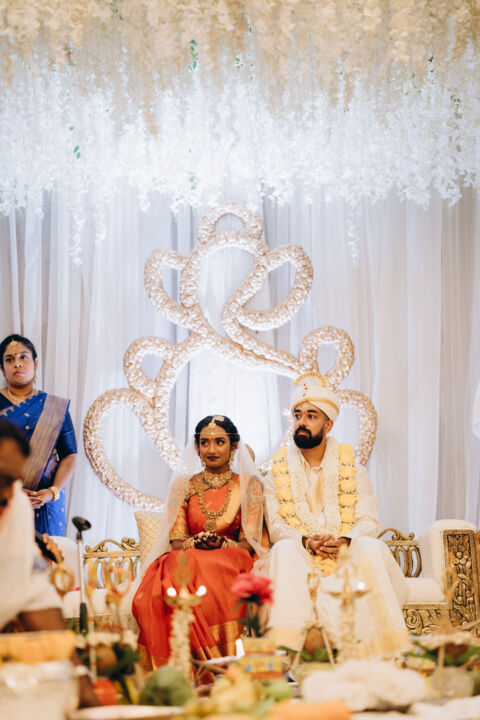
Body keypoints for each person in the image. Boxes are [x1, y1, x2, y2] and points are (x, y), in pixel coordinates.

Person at [264, 372, 409, 657]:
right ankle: (293, 651)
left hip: (346, 551)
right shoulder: (275, 473)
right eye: (297, 415)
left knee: (372, 546)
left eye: (311, 416)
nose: (302, 422)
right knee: (282, 549)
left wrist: (345, 540)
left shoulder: (353, 469)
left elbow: (368, 520)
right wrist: (307, 541)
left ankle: (375, 651)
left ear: (328, 424)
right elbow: (277, 524)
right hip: (302, 550)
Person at [132, 415, 265, 669]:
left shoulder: (250, 485)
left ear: (234, 446)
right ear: (197, 448)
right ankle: (184, 665)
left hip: (234, 557)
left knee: (207, 565)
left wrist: (222, 545)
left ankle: (219, 662)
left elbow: (249, 544)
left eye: (219, 442)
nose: (211, 449)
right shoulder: (184, 485)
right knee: (173, 567)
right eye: (205, 442)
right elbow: (177, 542)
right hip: (190, 555)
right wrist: (199, 542)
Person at [0, 418, 99, 707]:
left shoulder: (13, 504)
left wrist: (82, 684)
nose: (8, 492)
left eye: (15, 481)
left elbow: (35, 594)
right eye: (1, 479)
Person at [0, 333, 78, 535]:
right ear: (2, 368)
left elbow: (70, 454)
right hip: (4, 503)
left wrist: (53, 491)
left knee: (49, 554)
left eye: (23, 357)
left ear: (35, 363)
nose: (17, 363)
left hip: (46, 505)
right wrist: (10, 492)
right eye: (9, 359)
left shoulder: (54, 407)